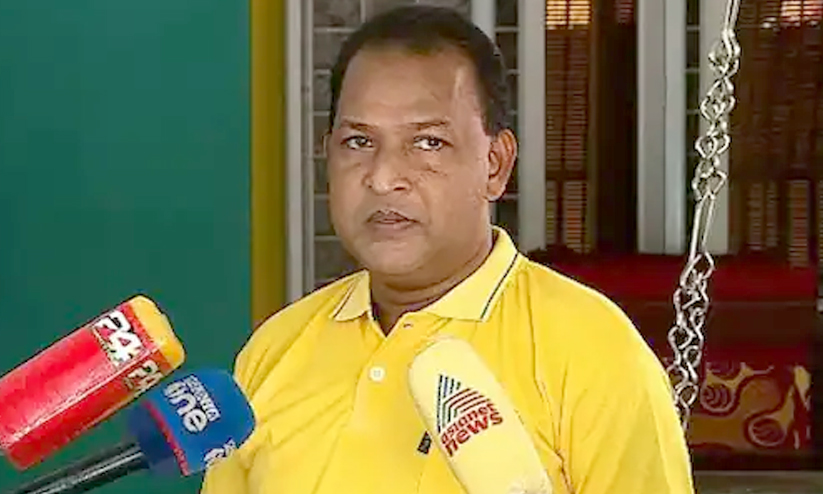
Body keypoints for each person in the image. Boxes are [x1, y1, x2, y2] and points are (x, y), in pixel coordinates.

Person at [202, 5, 694, 494]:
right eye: (358, 141)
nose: (383, 177)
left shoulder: (594, 352)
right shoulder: (275, 350)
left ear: (495, 164)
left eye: (429, 143)